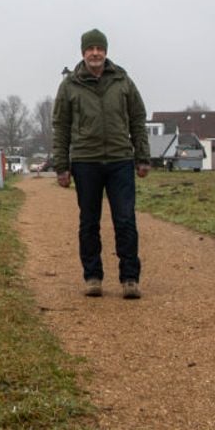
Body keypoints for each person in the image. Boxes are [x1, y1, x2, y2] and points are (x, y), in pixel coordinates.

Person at [52, 28, 151, 299]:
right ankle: (93, 277)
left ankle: (130, 278)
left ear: (105, 51)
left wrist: (142, 157)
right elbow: (60, 127)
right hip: (86, 161)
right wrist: (62, 166)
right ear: (83, 52)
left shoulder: (123, 81)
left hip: (120, 159)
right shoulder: (70, 86)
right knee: (89, 222)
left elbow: (138, 120)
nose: (95, 53)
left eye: (99, 48)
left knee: (125, 220)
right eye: (90, 49)